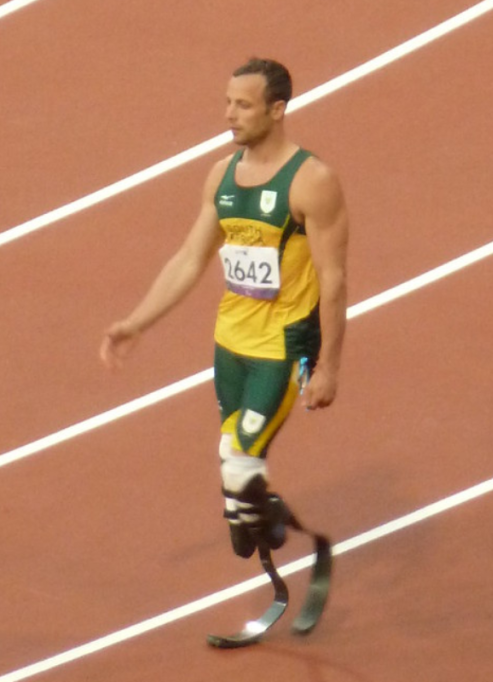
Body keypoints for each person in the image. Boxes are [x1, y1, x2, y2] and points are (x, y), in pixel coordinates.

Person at [100, 57, 348, 559]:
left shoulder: (311, 181)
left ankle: (272, 517)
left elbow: (334, 278)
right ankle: (259, 509)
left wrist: (327, 368)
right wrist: (136, 322)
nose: (230, 115)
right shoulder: (222, 177)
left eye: (244, 105)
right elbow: (190, 258)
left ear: (277, 110)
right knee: (236, 495)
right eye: (228, 103)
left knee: (238, 464)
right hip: (230, 343)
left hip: (284, 345)